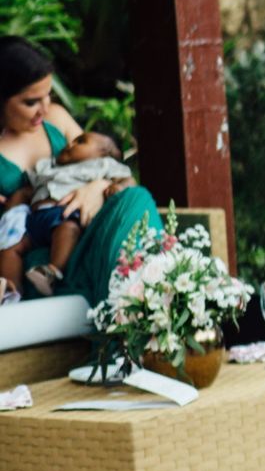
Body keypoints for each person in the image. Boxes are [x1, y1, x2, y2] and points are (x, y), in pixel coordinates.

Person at [0, 38, 159, 304]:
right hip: (40, 256)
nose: (45, 108)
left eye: (48, 95)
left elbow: (103, 158)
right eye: (31, 102)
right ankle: (138, 311)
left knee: (137, 199)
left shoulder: (56, 119)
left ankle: (152, 301)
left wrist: (95, 188)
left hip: (87, 224)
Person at [1, 130, 135, 296]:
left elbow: (128, 180)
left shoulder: (103, 165)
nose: (70, 144)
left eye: (81, 141)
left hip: (65, 214)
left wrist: (118, 187)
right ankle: (10, 289)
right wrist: (11, 211)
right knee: (11, 248)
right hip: (35, 219)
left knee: (68, 230)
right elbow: (26, 190)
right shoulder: (48, 167)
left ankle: (51, 272)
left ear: (105, 154)